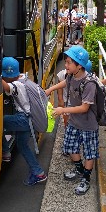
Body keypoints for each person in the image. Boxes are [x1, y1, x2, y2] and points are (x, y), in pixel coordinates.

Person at [45, 46, 97, 195]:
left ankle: (86, 179)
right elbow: (65, 83)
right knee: (70, 146)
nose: (65, 65)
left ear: (79, 65)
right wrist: (50, 89)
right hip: (74, 121)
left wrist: (63, 110)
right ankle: (80, 169)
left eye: (68, 63)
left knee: (90, 152)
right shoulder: (71, 76)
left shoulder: (89, 83)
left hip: (88, 124)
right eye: (66, 62)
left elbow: (84, 108)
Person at [1, 57, 47, 186]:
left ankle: (5, 152)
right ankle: (39, 173)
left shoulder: (16, 85)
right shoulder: (23, 78)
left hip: (24, 119)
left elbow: (5, 87)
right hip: (30, 119)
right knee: (22, 145)